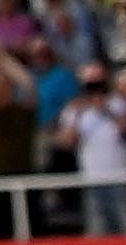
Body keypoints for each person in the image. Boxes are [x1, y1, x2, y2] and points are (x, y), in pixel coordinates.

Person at [55, 61, 125, 240]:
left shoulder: (119, 104)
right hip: (90, 182)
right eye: (89, 85)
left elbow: (123, 129)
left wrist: (105, 109)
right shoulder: (75, 110)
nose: (94, 89)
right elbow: (66, 143)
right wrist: (78, 115)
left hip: (120, 180)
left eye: (98, 83)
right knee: (97, 235)